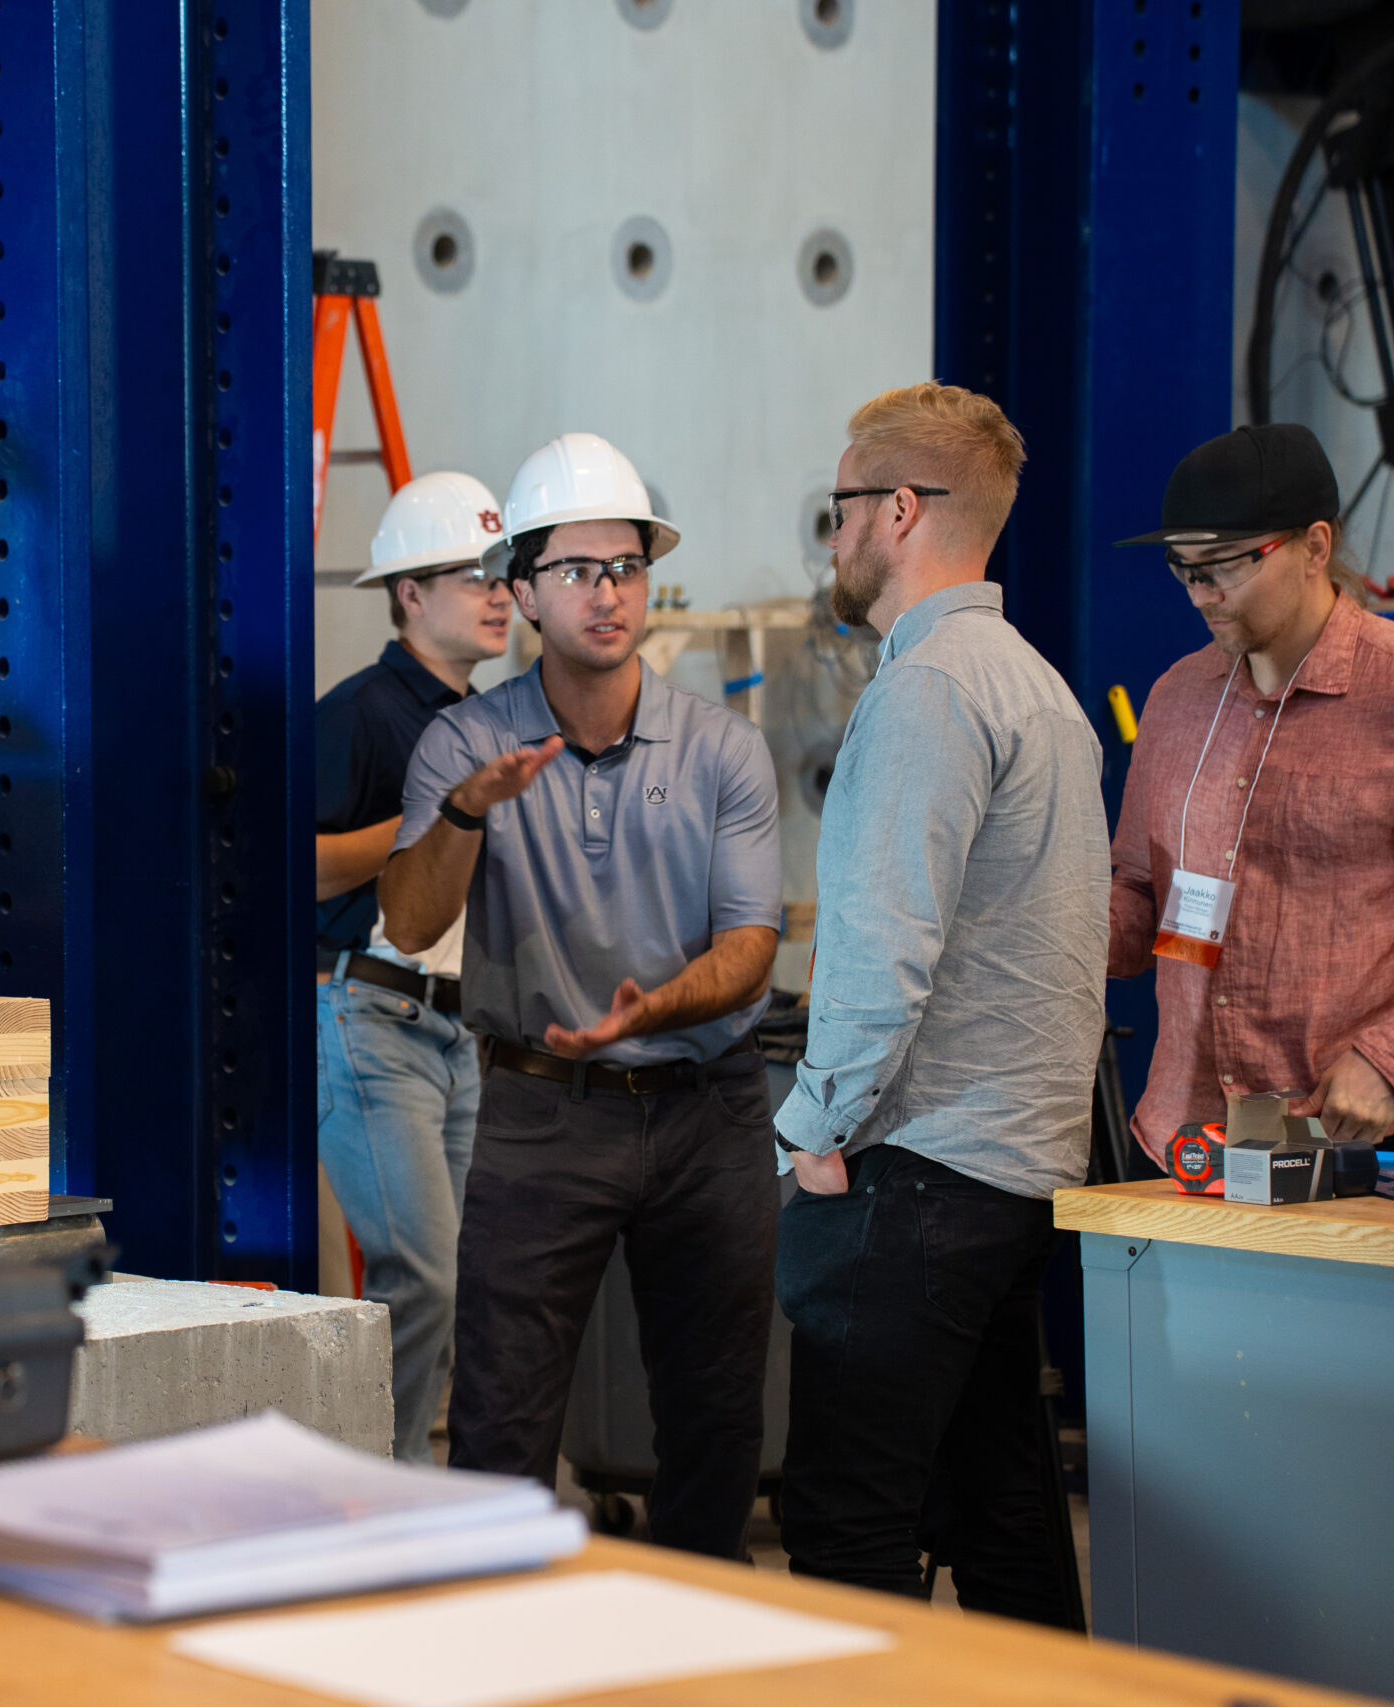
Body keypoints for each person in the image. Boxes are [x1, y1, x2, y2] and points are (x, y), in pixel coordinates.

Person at [376, 432, 783, 1559]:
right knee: (502, 1426)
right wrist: (465, 812)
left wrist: (647, 1013)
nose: (608, 595)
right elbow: (410, 926)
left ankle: (697, 1652)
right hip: (541, 1114)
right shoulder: (465, 741)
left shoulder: (721, 750)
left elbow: (751, 943)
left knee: (712, 1422)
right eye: (577, 572)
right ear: (523, 591)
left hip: (710, 1109)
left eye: (627, 568)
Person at [773, 383, 1108, 1625]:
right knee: (1005, 1517)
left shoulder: (927, 691)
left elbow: (883, 949)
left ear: (899, 510)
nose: (834, 538)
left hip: (912, 1176)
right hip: (1009, 1174)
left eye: (841, 508)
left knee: (846, 1530)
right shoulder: (1036, 687)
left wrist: (815, 1126)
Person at [1110, 423, 1394, 1158]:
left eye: (1225, 565)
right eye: (1184, 570)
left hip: (1357, 1146)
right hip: (1186, 1147)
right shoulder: (1175, 700)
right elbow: (1139, 897)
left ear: (1315, 546)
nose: (1201, 596)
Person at [313, 471, 513, 1463]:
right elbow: (290, 866)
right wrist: (431, 825)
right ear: (408, 595)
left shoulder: (482, 718)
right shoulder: (361, 714)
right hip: (372, 1016)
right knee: (421, 1275)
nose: (498, 595)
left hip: (457, 1028)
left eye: (501, 575)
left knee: (463, 1275)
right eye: (470, 575)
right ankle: (376, 1489)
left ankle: (414, 1481)